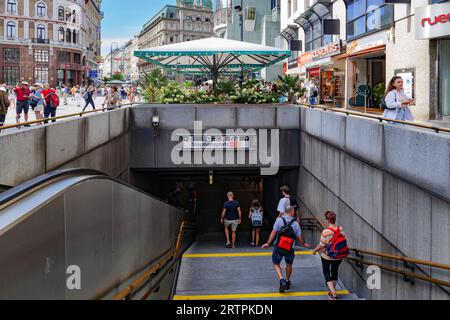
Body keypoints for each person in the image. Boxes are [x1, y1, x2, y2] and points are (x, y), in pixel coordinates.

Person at [262, 206, 311, 293]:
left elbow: (273, 232)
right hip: (290, 248)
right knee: (289, 264)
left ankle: (281, 280)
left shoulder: (279, 220)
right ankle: (287, 281)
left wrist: (268, 243)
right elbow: (299, 237)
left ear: (285, 212)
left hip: (279, 247)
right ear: (292, 212)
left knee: (276, 263)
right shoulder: (295, 224)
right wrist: (304, 243)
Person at [312, 211, 348, 300]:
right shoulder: (340, 229)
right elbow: (343, 240)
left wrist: (315, 250)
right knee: (334, 272)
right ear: (334, 219)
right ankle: (332, 291)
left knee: (326, 272)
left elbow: (321, 245)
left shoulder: (325, 231)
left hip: (327, 256)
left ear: (328, 220)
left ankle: (333, 292)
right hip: (338, 255)